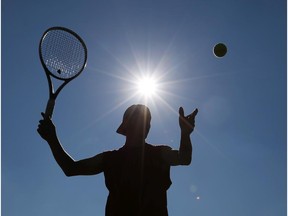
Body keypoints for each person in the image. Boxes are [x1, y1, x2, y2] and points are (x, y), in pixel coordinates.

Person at [37, 104, 198, 216]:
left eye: (147, 122)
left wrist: (185, 133)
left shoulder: (159, 153)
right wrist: (52, 139)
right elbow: (70, 168)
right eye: (141, 120)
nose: (146, 125)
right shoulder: (110, 159)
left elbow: (184, 158)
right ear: (127, 126)